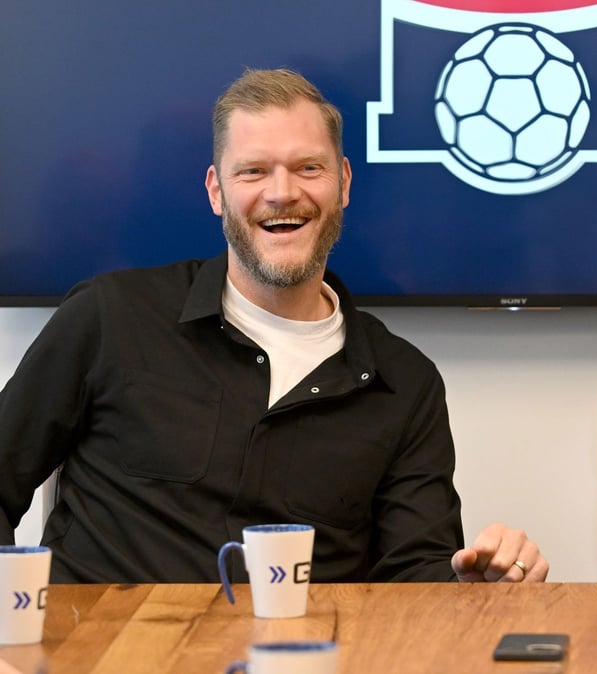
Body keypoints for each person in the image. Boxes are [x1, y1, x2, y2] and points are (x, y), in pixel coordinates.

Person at [0, 68, 547, 584]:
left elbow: (413, 579)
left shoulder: (405, 382)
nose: (282, 192)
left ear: (344, 183)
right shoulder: (108, 317)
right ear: (216, 190)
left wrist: (474, 584)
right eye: (253, 170)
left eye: (308, 167)